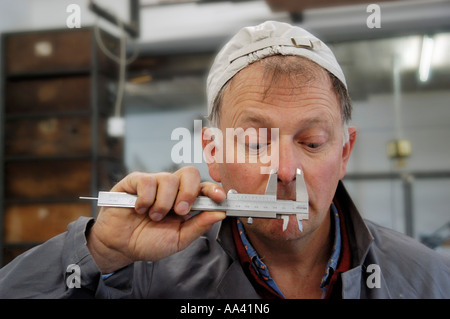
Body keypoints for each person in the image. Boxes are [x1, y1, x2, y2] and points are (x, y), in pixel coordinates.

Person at [0, 21, 449, 299]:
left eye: (312, 142)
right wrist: (99, 250)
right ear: (212, 153)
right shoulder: (138, 278)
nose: (286, 171)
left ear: (344, 151)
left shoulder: (427, 280)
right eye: (255, 142)